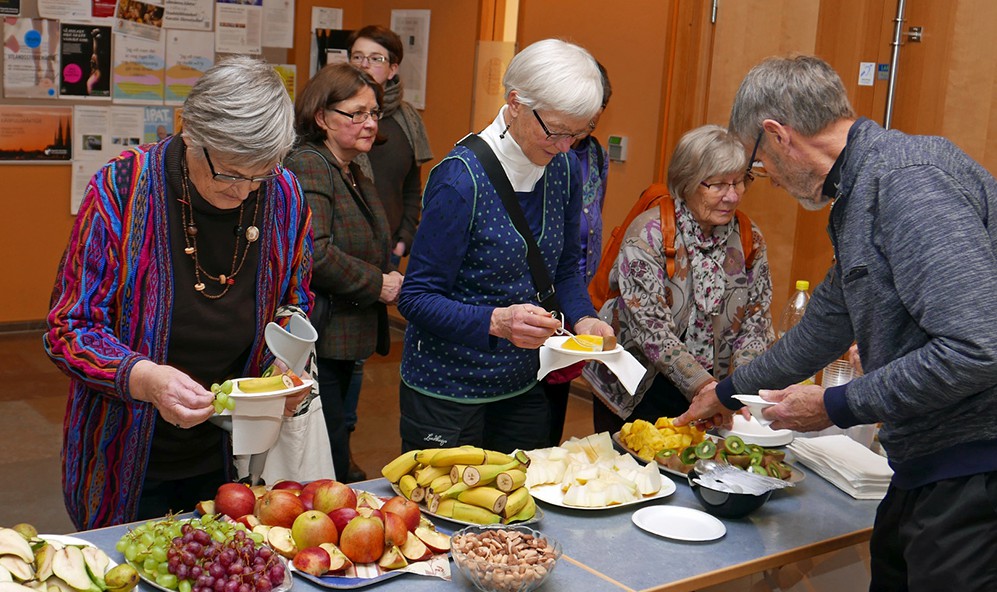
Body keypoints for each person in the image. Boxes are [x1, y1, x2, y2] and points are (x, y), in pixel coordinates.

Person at [674, 55, 997, 591]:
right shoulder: (862, 193)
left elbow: (977, 346)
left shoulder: (907, 184)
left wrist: (835, 405)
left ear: (778, 136)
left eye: (758, 167)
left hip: (974, 467)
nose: (768, 181)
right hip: (930, 462)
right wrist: (728, 392)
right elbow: (824, 325)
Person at [44, 56, 313, 530]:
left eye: (261, 174)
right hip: (124, 451)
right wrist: (145, 378)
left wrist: (283, 368)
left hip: (233, 456)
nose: (246, 192)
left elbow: (295, 299)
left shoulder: (285, 194)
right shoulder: (121, 188)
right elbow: (70, 327)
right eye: (231, 173)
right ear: (191, 134)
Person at [397, 39, 613, 453]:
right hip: (448, 392)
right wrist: (496, 322)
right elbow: (416, 298)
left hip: (522, 385)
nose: (566, 145)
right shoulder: (460, 180)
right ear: (515, 103)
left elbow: (563, 269)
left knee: (522, 508)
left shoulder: (564, 168)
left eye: (580, 133)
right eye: (556, 130)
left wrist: (584, 318)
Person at [583, 124, 774, 434]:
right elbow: (651, 330)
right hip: (639, 387)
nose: (732, 195)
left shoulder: (749, 239)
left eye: (739, 182)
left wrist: (739, 390)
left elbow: (756, 322)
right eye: (718, 185)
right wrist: (706, 388)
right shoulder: (648, 234)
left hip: (713, 393)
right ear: (686, 182)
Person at [284, 63, 400, 483]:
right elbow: (314, 253)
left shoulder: (351, 165)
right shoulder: (310, 164)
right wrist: (379, 283)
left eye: (374, 113)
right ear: (322, 117)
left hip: (347, 335)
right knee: (325, 449)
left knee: (339, 433)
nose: (369, 123)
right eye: (356, 114)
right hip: (324, 336)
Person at [340, 25, 435, 481]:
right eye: (357, 57)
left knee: (359, 355)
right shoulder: (333, 116)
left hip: (385, 254)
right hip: (339, 256)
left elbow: (412, 192)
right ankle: (336, 453)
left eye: (374, 58)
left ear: (393, 67)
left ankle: (343, 445)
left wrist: (402, 242)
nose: (364, 65)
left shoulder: (405, 122)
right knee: (337, 355)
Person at [542, 61, 612, 446]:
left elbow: (590, 222)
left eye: (591, 122)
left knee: (553, 410)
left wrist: (583, 309)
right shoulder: (542, 155)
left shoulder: (595, 155)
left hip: (574, 293)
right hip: (538, 298)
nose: (582, 133)